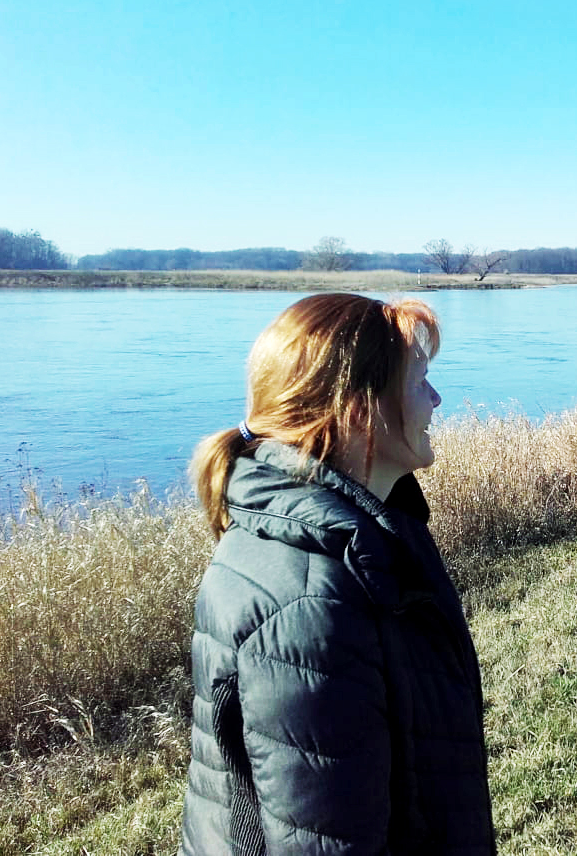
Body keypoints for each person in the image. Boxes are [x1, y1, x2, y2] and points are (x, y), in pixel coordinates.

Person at [180, 293, 495, 855]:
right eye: (421, 381)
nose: (437, 399)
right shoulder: (312, 607)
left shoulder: (368, 534)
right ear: (360, 410)